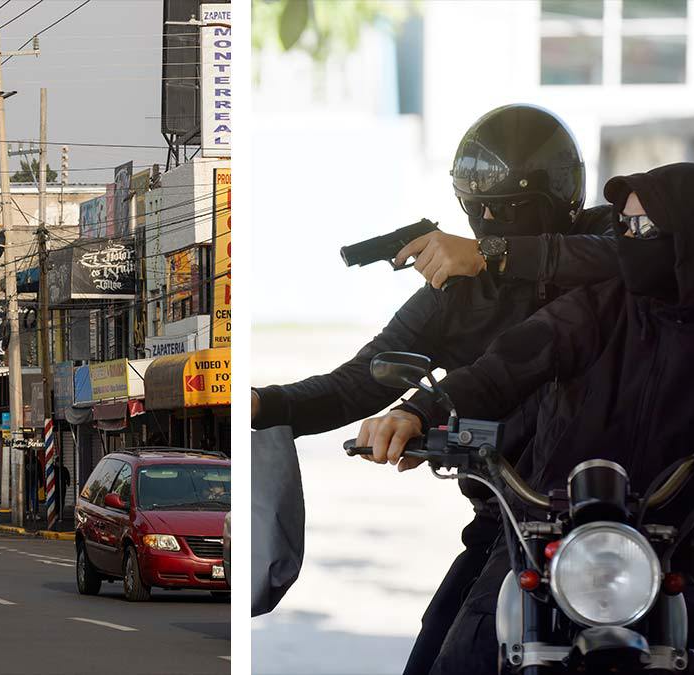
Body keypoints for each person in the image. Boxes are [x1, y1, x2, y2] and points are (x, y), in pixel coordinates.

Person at [362, 163, 694, 674]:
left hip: (661, 560)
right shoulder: (593, 309)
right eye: (622, 226)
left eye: (641, 228)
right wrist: (417, 411)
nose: (625, 240)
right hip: (540, 548)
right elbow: (496, 373)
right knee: (460, 657)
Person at [251, 103, 622, 672]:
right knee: (440, 657)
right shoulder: (458, 290)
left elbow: (658, 263)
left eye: (514, 212)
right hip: (511, 527)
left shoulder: (607, 252)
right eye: (488, 215)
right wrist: (265, 402)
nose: (495, 226)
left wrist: (495, 257)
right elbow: (357, 381)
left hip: (632, 526)